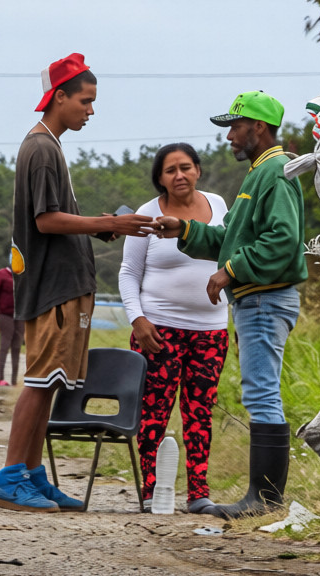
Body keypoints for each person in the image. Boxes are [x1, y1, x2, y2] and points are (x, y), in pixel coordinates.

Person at [0, 52, 158, 513]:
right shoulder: (41, 148)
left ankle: (31, 473)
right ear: (59, 97)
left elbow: (58, 220)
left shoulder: (50, 146)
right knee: (42, 381)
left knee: (54, 381)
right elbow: (45, 222)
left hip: (64, 285)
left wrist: (102, 227)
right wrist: (106, 222)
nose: (90, 109)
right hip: (53, 288)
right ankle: (8, 479)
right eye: (85, 100)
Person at [153, 91, 307, 520]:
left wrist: (231, 271)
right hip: (255, 299)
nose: (229, 137)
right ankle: (264, 496)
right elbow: (229, 239)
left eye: (235, 128)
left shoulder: (275, 172)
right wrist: (183, 229)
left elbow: (282, 240)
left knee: (261, 392)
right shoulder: (260, 172)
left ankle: (264, 498)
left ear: (258, 127)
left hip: (264, 297)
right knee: (259, 391)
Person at [120, 143, 230, 514]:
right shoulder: (146, 214)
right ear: (160, 178)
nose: (179, 175)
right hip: (157, 331)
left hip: (211, 330)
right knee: (154, 411)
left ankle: (198, 492)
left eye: (185, 167)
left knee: (199, 411)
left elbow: (230, 253)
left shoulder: (219, 207)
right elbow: (129, 273)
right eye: (170, 170)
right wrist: (138, 319)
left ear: (198, 170)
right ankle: (151, 490)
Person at [0, 265, 23, 385]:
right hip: (5, 315)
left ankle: (14, 380)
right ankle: (1, 378)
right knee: (5, 345)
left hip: (19, 315)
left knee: (17, 347)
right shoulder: (1, 274)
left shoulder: (22, 274)